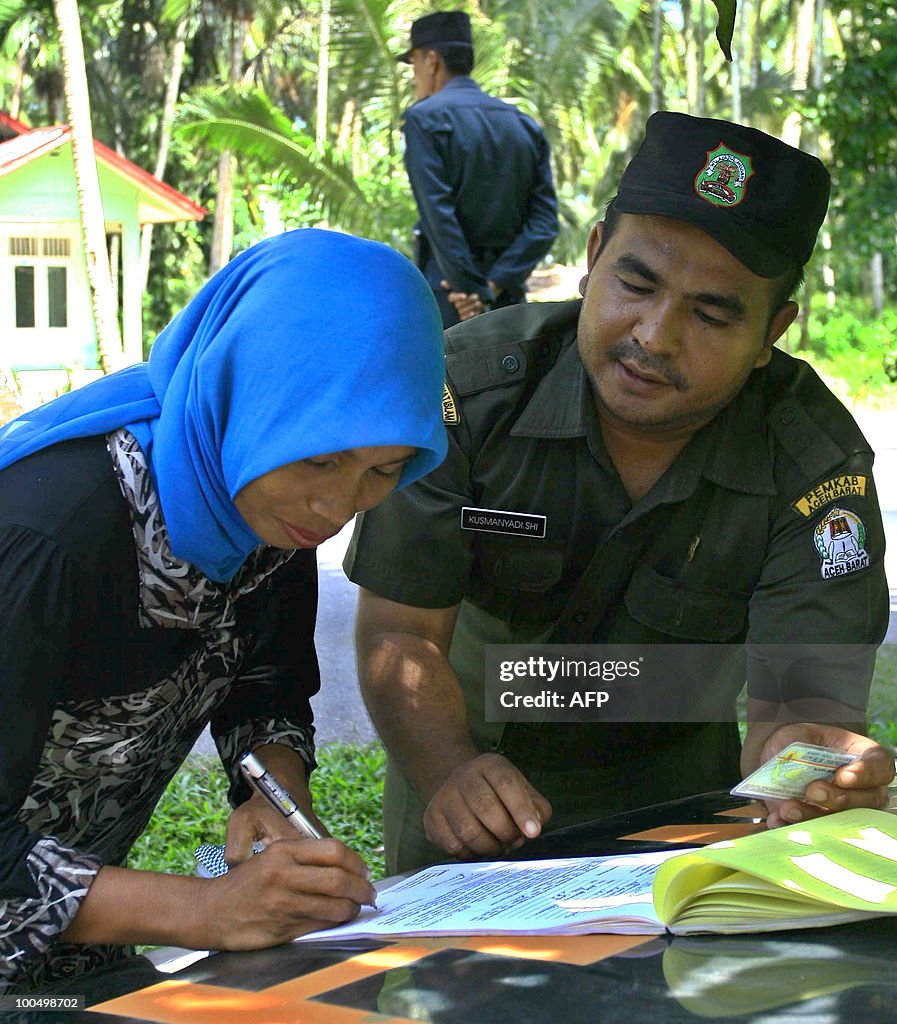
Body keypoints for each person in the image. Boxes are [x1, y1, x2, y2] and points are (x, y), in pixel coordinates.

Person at [346, 112, 894, 874]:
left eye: (711, 313)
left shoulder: (810, 465)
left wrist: (811, 766)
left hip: (677, 805)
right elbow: (398, 635)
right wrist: (446, 772)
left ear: (773, 329)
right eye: (636, 283)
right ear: (593, 256)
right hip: (464, 781)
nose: (656, 336)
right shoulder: (467, 393)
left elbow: (797, 713)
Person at [0, 229, 447, 993]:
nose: (335, 507)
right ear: (244, 390)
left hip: (69, 954)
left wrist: (275, 799)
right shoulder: (48, 537)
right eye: (320, 459)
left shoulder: (262, 501)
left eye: (383, 472)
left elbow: (261, 683)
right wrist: (207, 909)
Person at [398, 10, 559, 328]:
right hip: (507, 303)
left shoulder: (423, 120)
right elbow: (544, 223)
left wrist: (470, 290)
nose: (415, 74)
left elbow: (438, 217)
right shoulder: (524, 125)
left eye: (414, 63)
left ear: (432, 61)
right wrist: (494, 285)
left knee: (447, 378)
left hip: (451, 300)